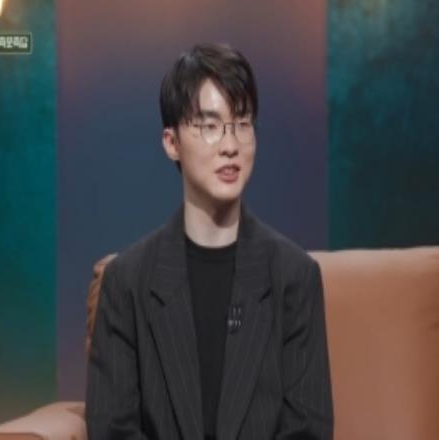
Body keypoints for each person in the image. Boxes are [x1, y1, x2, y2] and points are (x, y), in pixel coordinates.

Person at [86, 42, 333, 440]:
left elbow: (308, 431)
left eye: (242, 123)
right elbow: (112, 429)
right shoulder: (126, 284)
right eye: (210, 126)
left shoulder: (295, 277)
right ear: (171, 143)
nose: (230, 145)